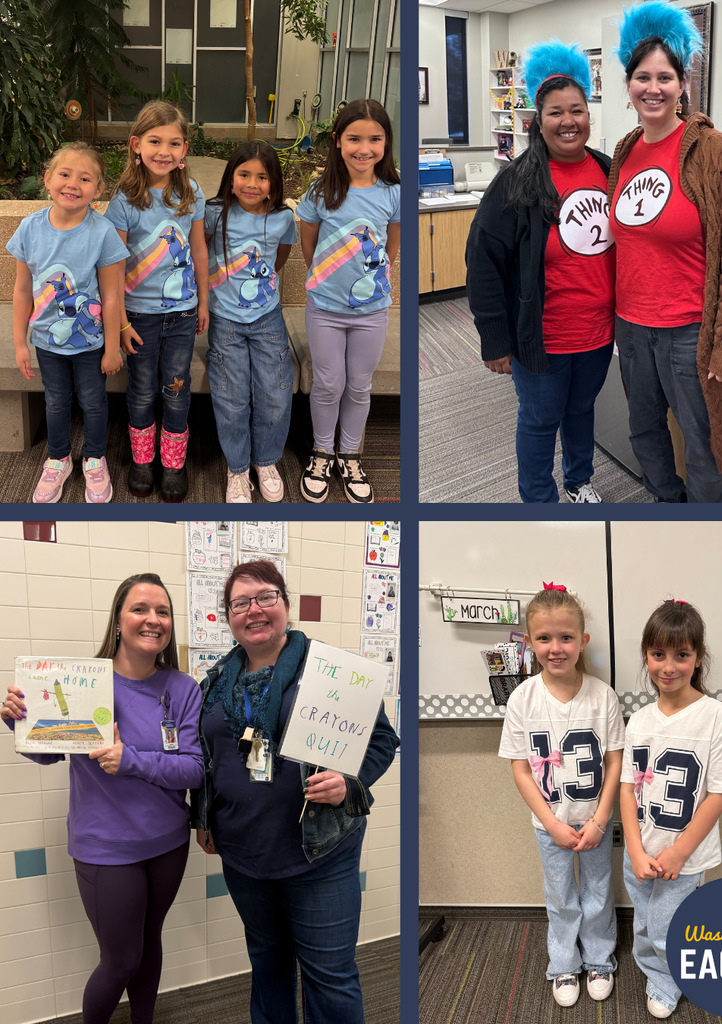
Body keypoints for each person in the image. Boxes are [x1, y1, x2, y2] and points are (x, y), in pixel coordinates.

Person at [192, 560, 399, 1024]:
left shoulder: (330, 670)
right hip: (244, 852)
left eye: (266, 597)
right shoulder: (215, 680)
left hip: (318, 852)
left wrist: (349, 781)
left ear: (285, 604)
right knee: (267, 963)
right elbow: (208, 758)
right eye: (240, 603)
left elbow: (382, 740)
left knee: (329, 976)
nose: (254, 610)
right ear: (229, 617)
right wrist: (202, 818)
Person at [2, 573, 204, 1024]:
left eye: (163, 612)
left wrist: (131, 760)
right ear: (117, 619)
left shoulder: (183, 688)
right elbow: (47, 753)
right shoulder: (82, 682)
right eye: (140, 609)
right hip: (106, 849)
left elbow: (194, 769)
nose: (153, 619)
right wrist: (20, 720)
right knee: (121, 960)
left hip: (168, 844)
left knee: (149, 942)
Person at [609, 1, 722, 503]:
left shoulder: (713, 152)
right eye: (642, 77)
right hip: (632, 329)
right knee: (644, 434)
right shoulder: (626, 150)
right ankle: (667, 509)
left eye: (664, 77)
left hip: (689, 333)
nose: (653, 88)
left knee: (704, 449)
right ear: (629, 84)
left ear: (681, 84)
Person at [466, 41, 615, 504]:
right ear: (538, 121)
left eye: (577, 110)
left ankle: (578, 481)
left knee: (582, 409)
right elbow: (483, 264)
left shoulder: (609, 172)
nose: (568, 121)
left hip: (597, 332)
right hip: (541, 337)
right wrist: (495, 339)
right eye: (556, 112)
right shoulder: (515, 182)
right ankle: (537, 500)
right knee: (539, 419)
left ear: (589, 116)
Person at [498, 584, 624, 1006]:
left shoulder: (602, 696)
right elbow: (520, 769)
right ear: (530, 642)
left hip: (595, 821)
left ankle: (600, 959)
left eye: (566, 637)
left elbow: (615, 763)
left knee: (598, 891)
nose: (556, 648)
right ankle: (565, 963)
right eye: (545, 638)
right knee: (560, 895)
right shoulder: (522, 699)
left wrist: (600, 820)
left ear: (583, 641)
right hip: (548, 824)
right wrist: (552, 823)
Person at [621, 600, 722, 1018]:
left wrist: (679, 853)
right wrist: (634, 849)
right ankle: (652, 969)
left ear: (698, 657)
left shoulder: (715, 718)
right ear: (646, 656)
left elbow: (719, 795)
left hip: (684, 857)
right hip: (641, 849)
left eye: (681, 655)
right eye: (658, 654)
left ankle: (670, 979)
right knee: (644, 920)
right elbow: (627, 788)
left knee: (668, 926)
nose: (668, 667)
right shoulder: (639, 720)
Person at [9, 142, 128, 503]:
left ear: (99, 189)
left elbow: (111, 295)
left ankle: (94, 458)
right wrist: (19, 342)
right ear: (48, 179)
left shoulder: (102, 232)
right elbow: (22, 290)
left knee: (93, 402)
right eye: (65, 174)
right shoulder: (29, 229)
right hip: (47, 343)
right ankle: (58, 459)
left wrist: (112, 348)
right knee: (56, 402)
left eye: (85, 178)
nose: (73, 183)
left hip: (91, 345)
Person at [297, 99, 401, 504]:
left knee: (359, 385)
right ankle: (322, 452)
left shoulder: (393, 192)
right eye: (354, 138)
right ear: (338, 141)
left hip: (371, 312)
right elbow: (309, 245)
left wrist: (371, 281)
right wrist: (327, 279)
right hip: (325, 308)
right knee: (327, 383)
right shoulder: (320, 192)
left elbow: (391, 247)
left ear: (386, 143)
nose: (364, 148)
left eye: (375, 139)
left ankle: (350, 454)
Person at [105, 100, 209, 502]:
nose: (164, 151)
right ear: (136, 144)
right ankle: (142, 459)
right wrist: (120, 323)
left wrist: (203, 302)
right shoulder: (124, 201)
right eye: (155, 141)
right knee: (143, 388)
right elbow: (113, 267)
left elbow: (198, 250)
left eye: (174, 143)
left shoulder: (191, 194)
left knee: (176, 388)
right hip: (138, 317)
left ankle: (173, 463)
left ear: (184, 150)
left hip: (182, 314)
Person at [204, 141, 297, 503]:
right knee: (231, 397)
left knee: (275, 393)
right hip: (225, 319)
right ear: (231, 178)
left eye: (262, 177)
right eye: (244, 174)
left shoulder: (282, 218)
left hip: (267, 318)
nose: (252, 184)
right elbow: (201, 251)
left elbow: (280, 258)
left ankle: (266, 461)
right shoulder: (214, 213)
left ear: (274, 184)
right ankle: (238, 468)